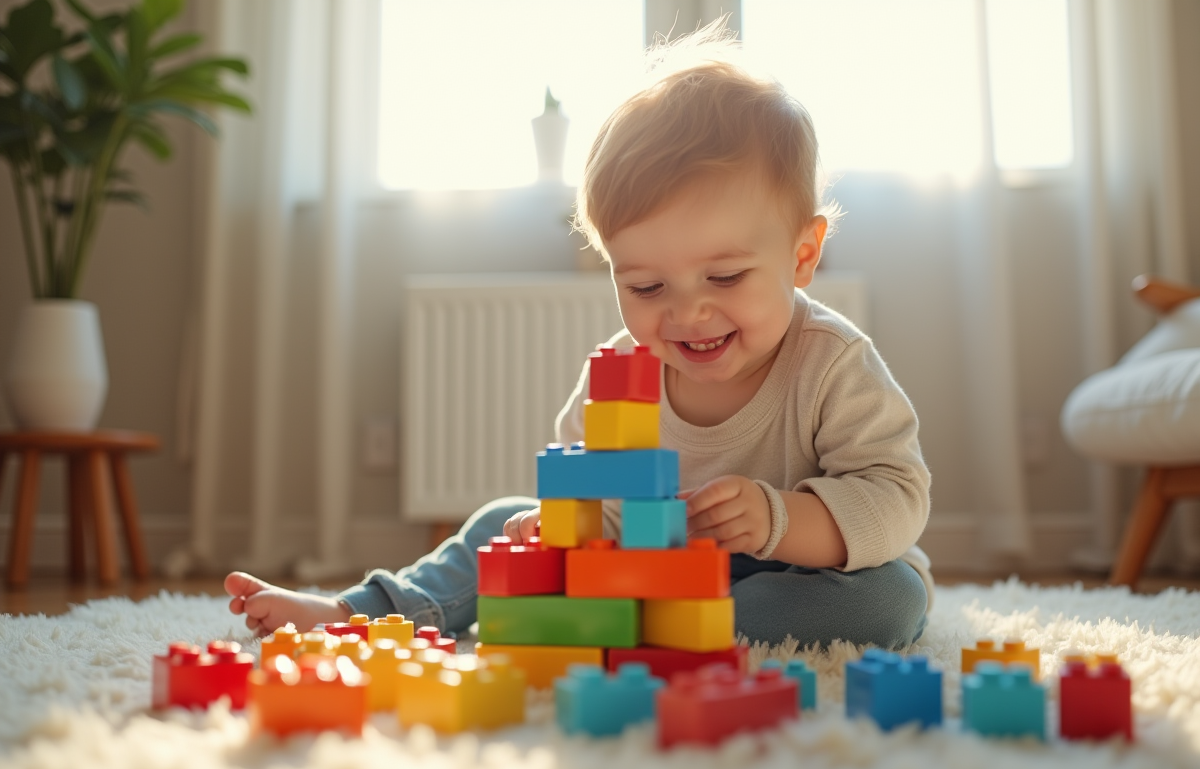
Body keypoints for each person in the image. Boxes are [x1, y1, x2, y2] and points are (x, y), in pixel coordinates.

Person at [226, 22, 933, 650]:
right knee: (503, 521)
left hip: (790, 571)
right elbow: (586, 500)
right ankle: (367, 610)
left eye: (725, 278)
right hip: (646, 570)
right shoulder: (623, 370)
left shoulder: (831, 362)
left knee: (891, 596)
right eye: (647, 288)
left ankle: (695, 625)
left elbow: (898, 495)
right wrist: (569, 534)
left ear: (803, 256)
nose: (687, 315)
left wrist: (783, 520)